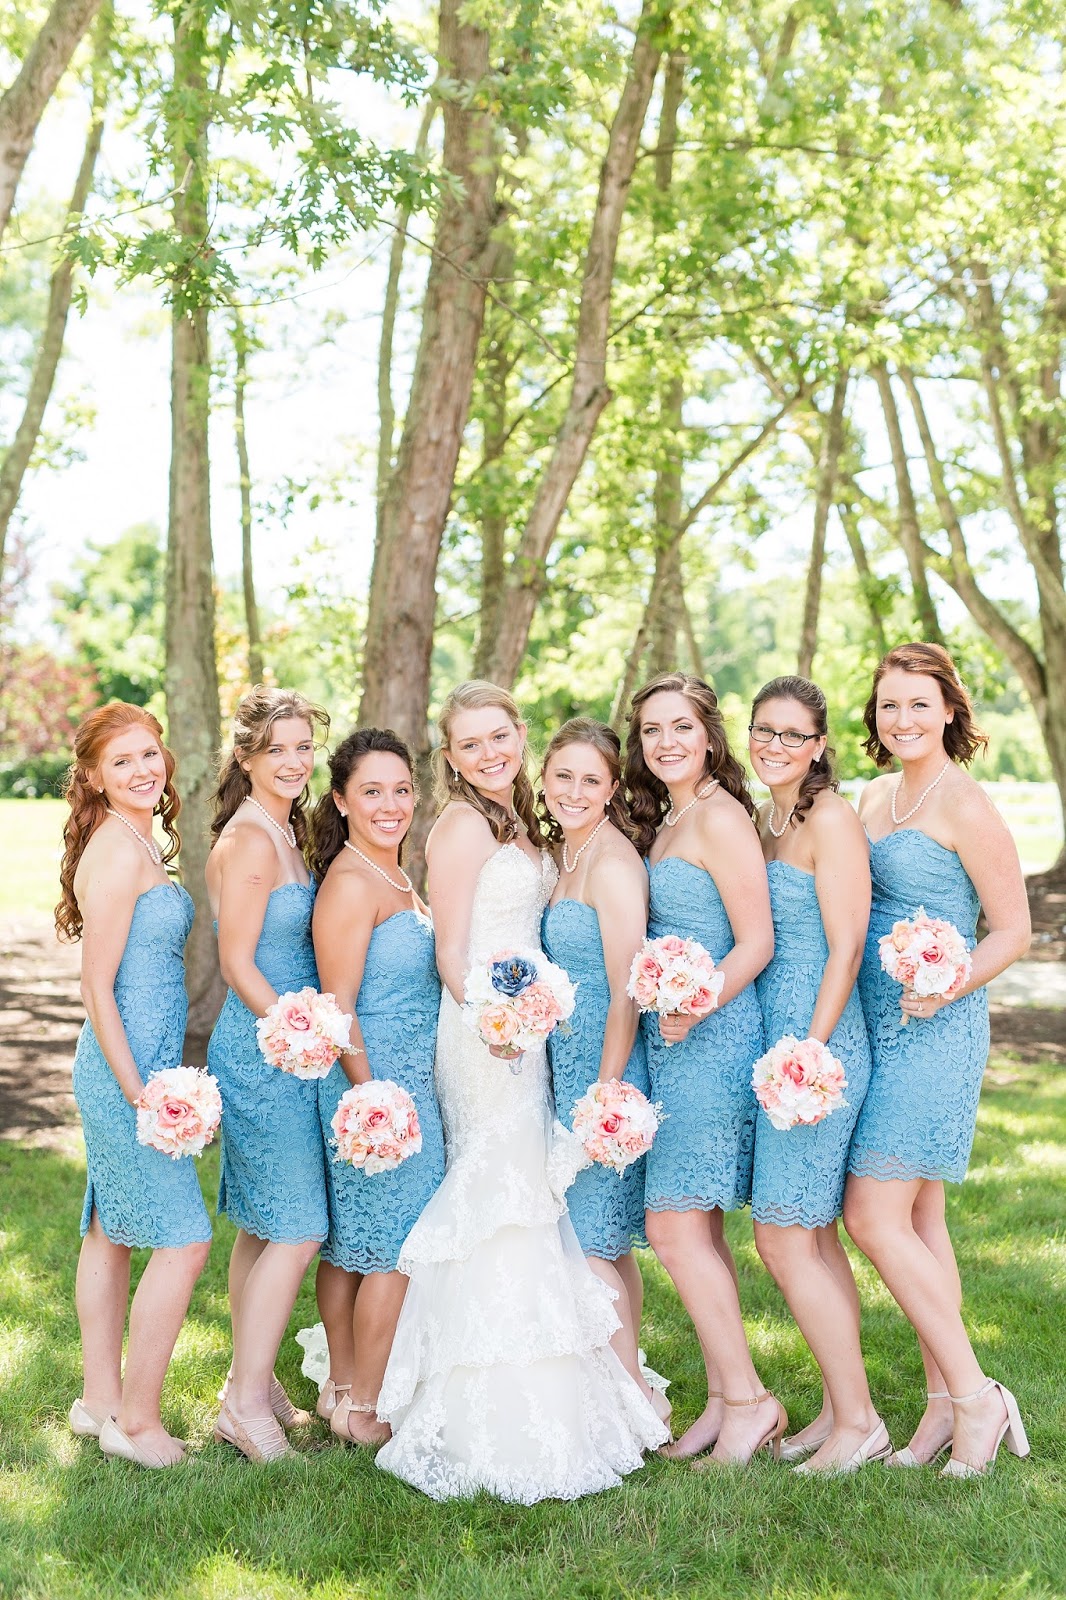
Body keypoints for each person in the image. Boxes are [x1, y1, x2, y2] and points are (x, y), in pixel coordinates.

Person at [376, 681, 667, 1502]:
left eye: (498, 736)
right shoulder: (462, 826)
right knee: (503, 1192)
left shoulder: (524, 819)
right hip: (484, 1037)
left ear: (519, 734)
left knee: (535, 1192)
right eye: (470, 744)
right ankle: (489, 1406)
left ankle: (569, 1382)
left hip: (534, 1029)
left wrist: (528, 1017)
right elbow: (452, 949)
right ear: (450, 756)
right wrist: (492, 1021)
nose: (488, 753)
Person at [843, 642, 1032, 1478]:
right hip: (876, 1022)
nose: (903, 718)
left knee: (872, 1216)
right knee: (921, 1220)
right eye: (889, 704)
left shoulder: (966, 803)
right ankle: (940, 1408)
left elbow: (1014, 931)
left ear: (950, 710)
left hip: (938, 1029)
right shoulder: (873, 795)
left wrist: (947, 983)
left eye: (919, 703)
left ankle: (978, 1395)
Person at [625, 671, 778, 1466]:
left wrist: (698, 1000)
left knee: (672, 1225)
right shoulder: (670, 816)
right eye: (652, 730)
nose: (666, 742)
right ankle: (724, 1399)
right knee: (703, 1229)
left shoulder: (719, 817)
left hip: (714, 1039)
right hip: (674, 1039)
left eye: (681, 726)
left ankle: (751, 1401)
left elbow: (756, 940)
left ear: (710, 734)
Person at [57, 702, 211, 1468]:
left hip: (141, 1068)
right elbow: (97, 988)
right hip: (128, 1075)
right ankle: (138, 1424)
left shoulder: (134, 836)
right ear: (93, 776)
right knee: (184, 1240)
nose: (143, 769)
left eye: (150, 753)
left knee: (109, 1231)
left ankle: (98, 1402)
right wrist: (139, 1091)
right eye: (121, 761)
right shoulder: (118, 852)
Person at [746, 676, 883, 1473]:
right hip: (778, 1041)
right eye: (764, 730)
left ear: (820, 745)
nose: (775, 746)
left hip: (817, 1050)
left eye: (793, 735)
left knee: (781, 1235)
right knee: (814, 1236)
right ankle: (839, 1408)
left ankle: (860, 1422)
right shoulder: (767, 817)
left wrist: (811, 1053)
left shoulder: (830, 819)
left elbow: (847, 946)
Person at [310, 728, 445, 1445]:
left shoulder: (394, 872)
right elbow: (338, 1008)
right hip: (375, 1091)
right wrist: (373, 1102)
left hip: (408, 1084)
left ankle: (341, 1390)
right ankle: (364, 1406)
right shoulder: (352, 882)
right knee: (394, 1249)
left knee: (359, 1245)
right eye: (371, 791)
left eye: (401, 790)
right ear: (341, 800)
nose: (390, 805)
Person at [206, 686, 330, 1462]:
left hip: (289, 1044)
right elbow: (236, 962)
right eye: (276, 749)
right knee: (297, 1225)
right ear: (246, 758)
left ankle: (250, 1382)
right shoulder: (252, 839)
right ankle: (245, 1407)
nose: (293, 761)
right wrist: (295, 1028)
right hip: (264, 1049)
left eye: (303, 747)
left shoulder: (285, 828)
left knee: (262, 1225)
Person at [539, 718, 666, 1419]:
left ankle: (629, 1404)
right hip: (572, 1062)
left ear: (613, 788)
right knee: (606, 1241)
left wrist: (605, 1094)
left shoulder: (612, 863)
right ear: (544, 778)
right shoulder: (568, 853)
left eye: (591, 780)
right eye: (563, 776)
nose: (575, 790)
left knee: (589, 1241)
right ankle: (631, 1385)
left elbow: (628, 990)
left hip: (604, 1072)